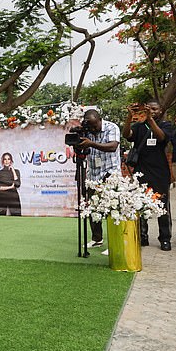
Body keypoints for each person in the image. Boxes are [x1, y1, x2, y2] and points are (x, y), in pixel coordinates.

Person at [122, 100, 173, 251]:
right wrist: (129, 117)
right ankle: (142, 236)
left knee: (162, 205)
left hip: (160, 171)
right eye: (149, 109)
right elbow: (127, 135)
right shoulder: (139, 126)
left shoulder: (165, 125)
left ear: (161, 110)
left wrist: (150, 119)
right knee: (140, 204)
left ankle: (165, 238)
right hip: (141, 170)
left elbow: (162, 137)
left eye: (155, 109)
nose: (152, 111)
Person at [79, 109, 121, 255]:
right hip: (93, 174)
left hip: (110, 172)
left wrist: (91, 143)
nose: (93, 129)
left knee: (112, 209)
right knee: (93, 208)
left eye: (95, 125)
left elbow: (113, 146)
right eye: (90, 126)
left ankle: (115, 242)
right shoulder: (87, 130)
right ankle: (97, 238)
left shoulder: (111, 127)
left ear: (100, 119)